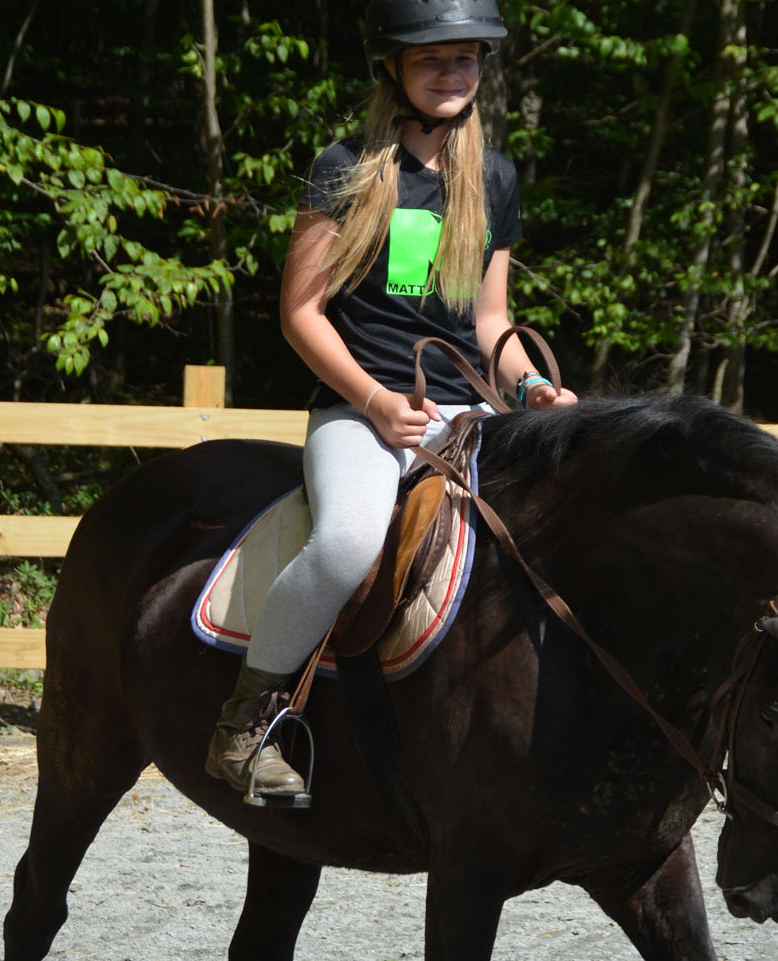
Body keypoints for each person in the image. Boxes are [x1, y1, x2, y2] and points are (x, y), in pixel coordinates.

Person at [207, 0, 577, 797]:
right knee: (346, 541)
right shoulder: (345, 167)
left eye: (466, 59)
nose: (452, 74)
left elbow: (492, 322)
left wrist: (534, 385)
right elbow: (300, 313)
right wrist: (374, 402)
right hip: (361, 412)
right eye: (432, 60)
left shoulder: (496, 177)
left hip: (469, 414)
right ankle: (248, 717)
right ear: (395, 70)